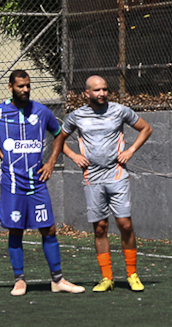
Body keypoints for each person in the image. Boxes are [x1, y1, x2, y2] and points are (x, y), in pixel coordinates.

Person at [0, 69, 83, 295]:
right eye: (20, 86)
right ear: (10, 87)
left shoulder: (42, 111)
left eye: (28, 85)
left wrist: (51, 162)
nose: (25, 89)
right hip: (12, 185)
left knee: (49, 229)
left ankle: (57, 280)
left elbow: (59, 134)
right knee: (15, 230)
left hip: (37, 183)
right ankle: (19, 280)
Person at [51, 74, 153, 292]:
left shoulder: (120, 111)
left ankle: (132, 275)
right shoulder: (76, 116)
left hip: (117, 176)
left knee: (125, 224)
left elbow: (146, 128)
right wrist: (73, 156)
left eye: (105, 89)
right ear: (87, 93)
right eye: (97, 90)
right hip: (92, 179)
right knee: (100, 228)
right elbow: (58, 139)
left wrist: (130, 151)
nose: (102, 93)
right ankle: (107, 278)